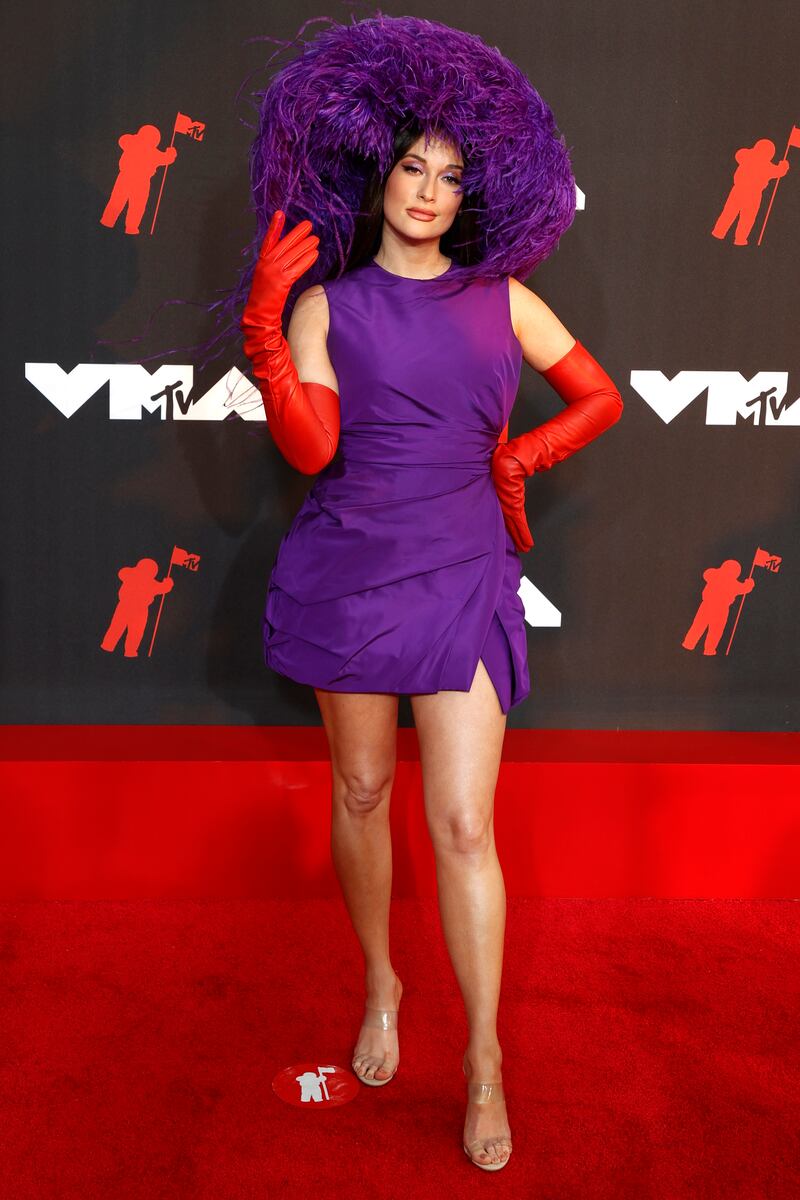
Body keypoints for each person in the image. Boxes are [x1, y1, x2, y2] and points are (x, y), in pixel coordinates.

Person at [238, 15, 623, 1172]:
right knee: (361, 795)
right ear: (384, 176)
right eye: (412, 165)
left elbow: (598, 396)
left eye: (450, 176)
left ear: (470, 200)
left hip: (460, 569)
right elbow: (310, 451)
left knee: (461, 823)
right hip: (349, 571)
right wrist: (267, 328)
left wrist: (519, 460)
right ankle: (380, 985)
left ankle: (485, 1060)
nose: (426, 188)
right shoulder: (331, 304)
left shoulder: (502, 298)